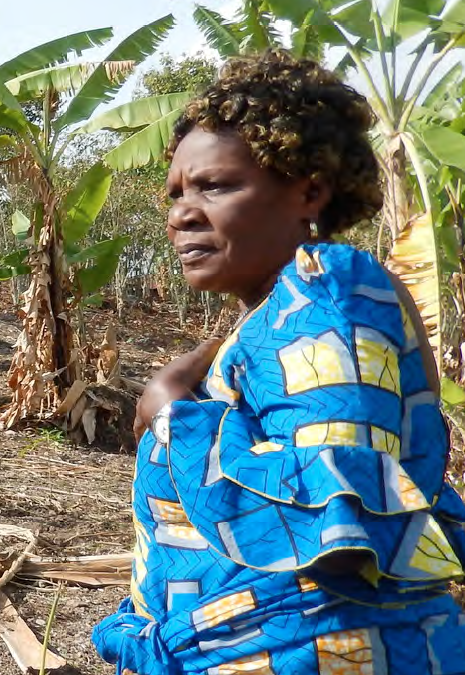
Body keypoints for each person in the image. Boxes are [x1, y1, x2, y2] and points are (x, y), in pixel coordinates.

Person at [93, 50, 465, 675]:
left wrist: (176, 417)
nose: (182, 213)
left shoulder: (326, 294)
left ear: (309, 191)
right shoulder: (282, 314)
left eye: (214, 185)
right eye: (176, 193)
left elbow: (338, 525)